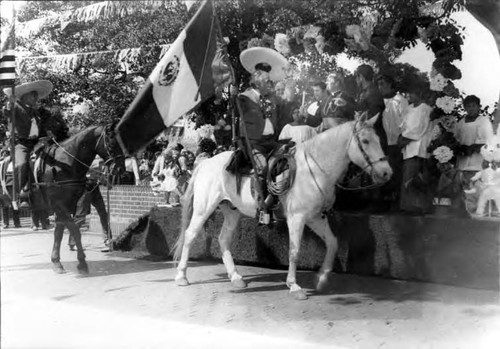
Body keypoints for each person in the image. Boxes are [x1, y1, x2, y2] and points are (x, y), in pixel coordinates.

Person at [237, 46, 289, 223]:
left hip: (270, 141)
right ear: (257, 80)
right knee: (263, 167)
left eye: (270, 81)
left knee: (291, 157)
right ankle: (262, 210)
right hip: (253, 143)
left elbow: (283, 115)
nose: (270, 83)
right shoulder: (244, 97)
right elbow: (246, 114)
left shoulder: (272, 99)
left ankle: (280, 200)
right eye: (267, 81)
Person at [2, 80, 53, 207]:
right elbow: (7, 111)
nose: (36, 98)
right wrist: (9, 104)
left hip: (36, 143)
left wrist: (46, 135)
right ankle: (17, 194)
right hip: (21, 144)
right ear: (24, 96)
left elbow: (36, 129)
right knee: (22, 164)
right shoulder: (17, 106)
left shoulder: (35, 112)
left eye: (36, 95)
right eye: (33, 95)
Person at [398, 80, 434, 214]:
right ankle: (407, 205)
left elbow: (419, 128)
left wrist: (405, 139)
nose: (409, 96)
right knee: (407, 176)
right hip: (408, 147)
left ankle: (417, 206)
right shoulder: (409, 108)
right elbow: (403, 125)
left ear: (419, 94)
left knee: (415, 177)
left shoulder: (425, 108)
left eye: (411, 94)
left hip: (418, 147)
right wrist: (401, 136)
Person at [377, 73, 409, 210]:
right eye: (378, 85)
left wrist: (401, 139)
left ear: (390, 84)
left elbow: (406, 121)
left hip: (398, 143)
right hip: (383, 143)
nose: (380, 87)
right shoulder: (380, 102)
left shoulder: (400, 100)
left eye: (383, 84)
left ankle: (396, 203)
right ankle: (384, 201)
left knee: (396, 172)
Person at [69, 156, 110, 250]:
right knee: (80, 216)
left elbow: (100, 175)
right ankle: (73, 242)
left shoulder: (100, 160)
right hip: (85, 187)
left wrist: (106, 182)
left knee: (103, 213)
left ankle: (108, 239)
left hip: (95, 187)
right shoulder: (84, 158)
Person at [454, 95, 493, 184]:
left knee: (475, 188)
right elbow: (456, 138)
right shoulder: (461, 122)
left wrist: (473, 147)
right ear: (465, 108)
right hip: (462, 161)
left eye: (474, 106)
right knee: (463, 186)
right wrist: (458, 148)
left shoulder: (484, 121)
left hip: (477, 162)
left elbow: (489, 142)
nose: (471, 109)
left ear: (479, 107)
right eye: (468, 106)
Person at [355, 64, 387, 150]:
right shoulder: (364, 92)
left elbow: (375, 117)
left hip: (374, 140)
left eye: (356, 77)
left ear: (361, 77)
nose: (356, 80)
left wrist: (360, 118)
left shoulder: (373, 93)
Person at [0, 149, 20, 228]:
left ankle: (17, 223)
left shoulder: (14, 163)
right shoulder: (2, 163)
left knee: (14, 204)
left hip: (12, 184)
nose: (5, 156)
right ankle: (5, 223)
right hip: (3, 185)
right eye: (4, 154)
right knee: (5, 205)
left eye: (7, 154)